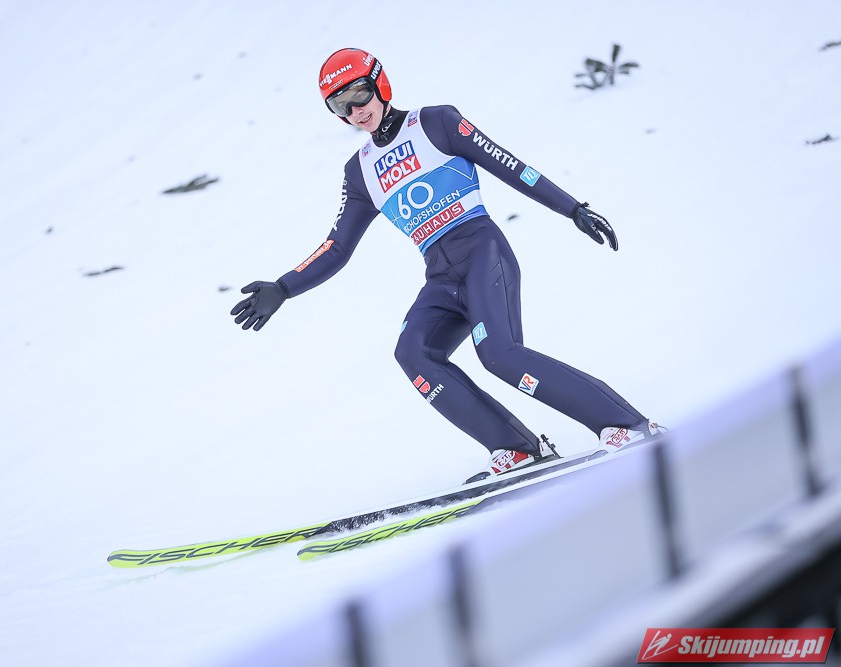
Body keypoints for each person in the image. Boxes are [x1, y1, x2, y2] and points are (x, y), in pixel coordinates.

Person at [231, 48, 662, 483]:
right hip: (440, 276)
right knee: (413, 352)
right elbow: (337, 246)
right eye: (340, 105)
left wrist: (572, 209)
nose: (355, 111)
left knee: (499, 355)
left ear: (380, 84)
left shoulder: (435, 122)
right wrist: (283, 287)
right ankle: (516, 448)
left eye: (359, 94)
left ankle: (628, 425)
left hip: (482, 253)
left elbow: (509, 165)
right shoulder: (360, 171)